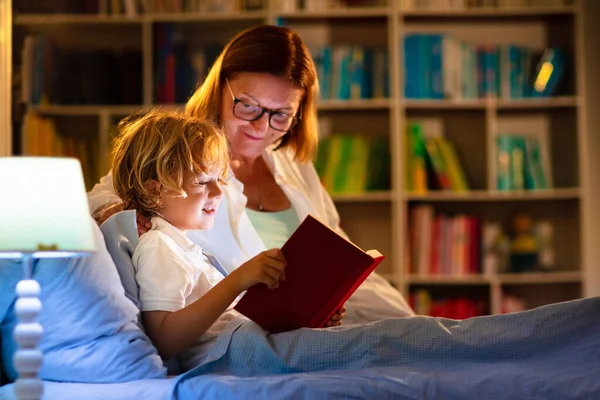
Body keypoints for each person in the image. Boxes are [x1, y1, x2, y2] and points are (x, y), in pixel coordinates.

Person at [88, 24, 414, 323]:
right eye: (248, 106)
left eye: (282, 114)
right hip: (247, 330)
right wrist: (112, 210)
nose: (261, 127)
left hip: (325, 321)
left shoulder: (292, 163)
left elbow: (335, 245)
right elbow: (99, 200)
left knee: (428, 337)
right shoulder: (178, 155)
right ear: (219, 87)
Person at [109, 108, 345, 364]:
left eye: (219, 179)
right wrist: (236, 281)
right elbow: (164, 340)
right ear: (155, 190)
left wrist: (309, 318)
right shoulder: (159, 246)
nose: (218, 192)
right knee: (383, 342)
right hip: (238, 354)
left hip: (252, 345)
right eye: (202, 181)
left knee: (371, 341)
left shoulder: (184, 247)